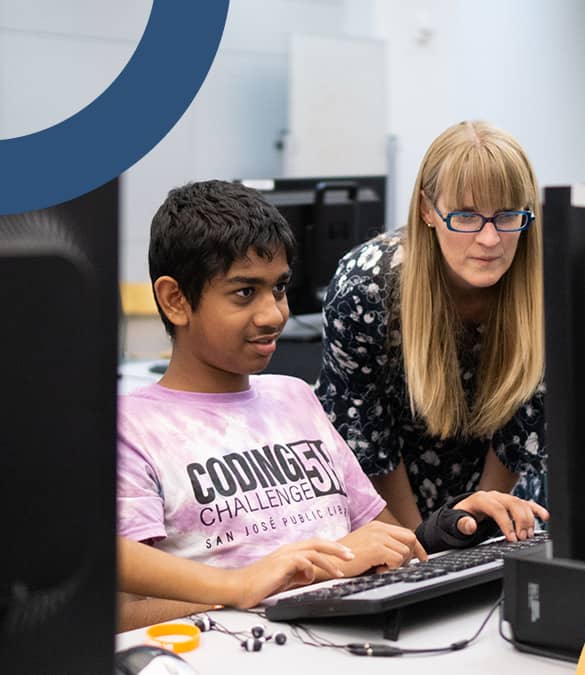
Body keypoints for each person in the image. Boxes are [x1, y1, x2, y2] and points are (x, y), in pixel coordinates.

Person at [116, 180, 424, 631]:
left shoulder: (294, 396)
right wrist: (250, 585)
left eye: (278, 289)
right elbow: (120, 616)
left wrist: (452, 530)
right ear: (175, 300)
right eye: (245, 292)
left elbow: (385, 539)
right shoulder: (132, 427)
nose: (274, 315)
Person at [315, 120, 549, 541]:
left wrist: (475, 530)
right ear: (428, 211)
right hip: (391, 501)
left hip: (508, 501)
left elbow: (521, 436)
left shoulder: (546, 287)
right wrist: (425, 542)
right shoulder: (366, 287)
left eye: (507, 216)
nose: (491, 239)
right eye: (466, 216)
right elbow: (369, 444)